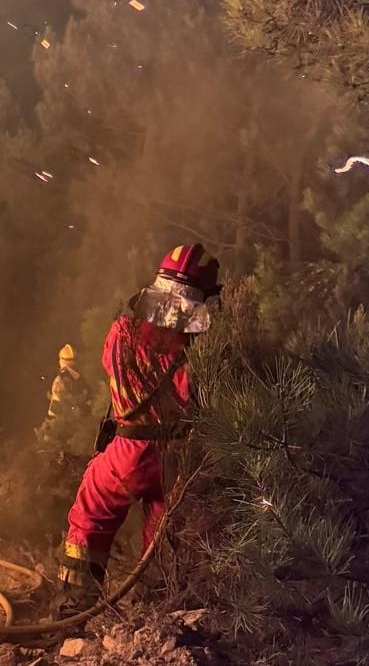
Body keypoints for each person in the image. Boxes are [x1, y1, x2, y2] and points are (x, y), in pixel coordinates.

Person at [53, 243, 221, 619]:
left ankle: (74, 607)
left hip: (128, 451)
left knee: (90, 515)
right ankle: (156, 613)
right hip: (177, 459)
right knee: (164, 539)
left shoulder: (124, 332)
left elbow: (109, 363)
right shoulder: (203, 350)